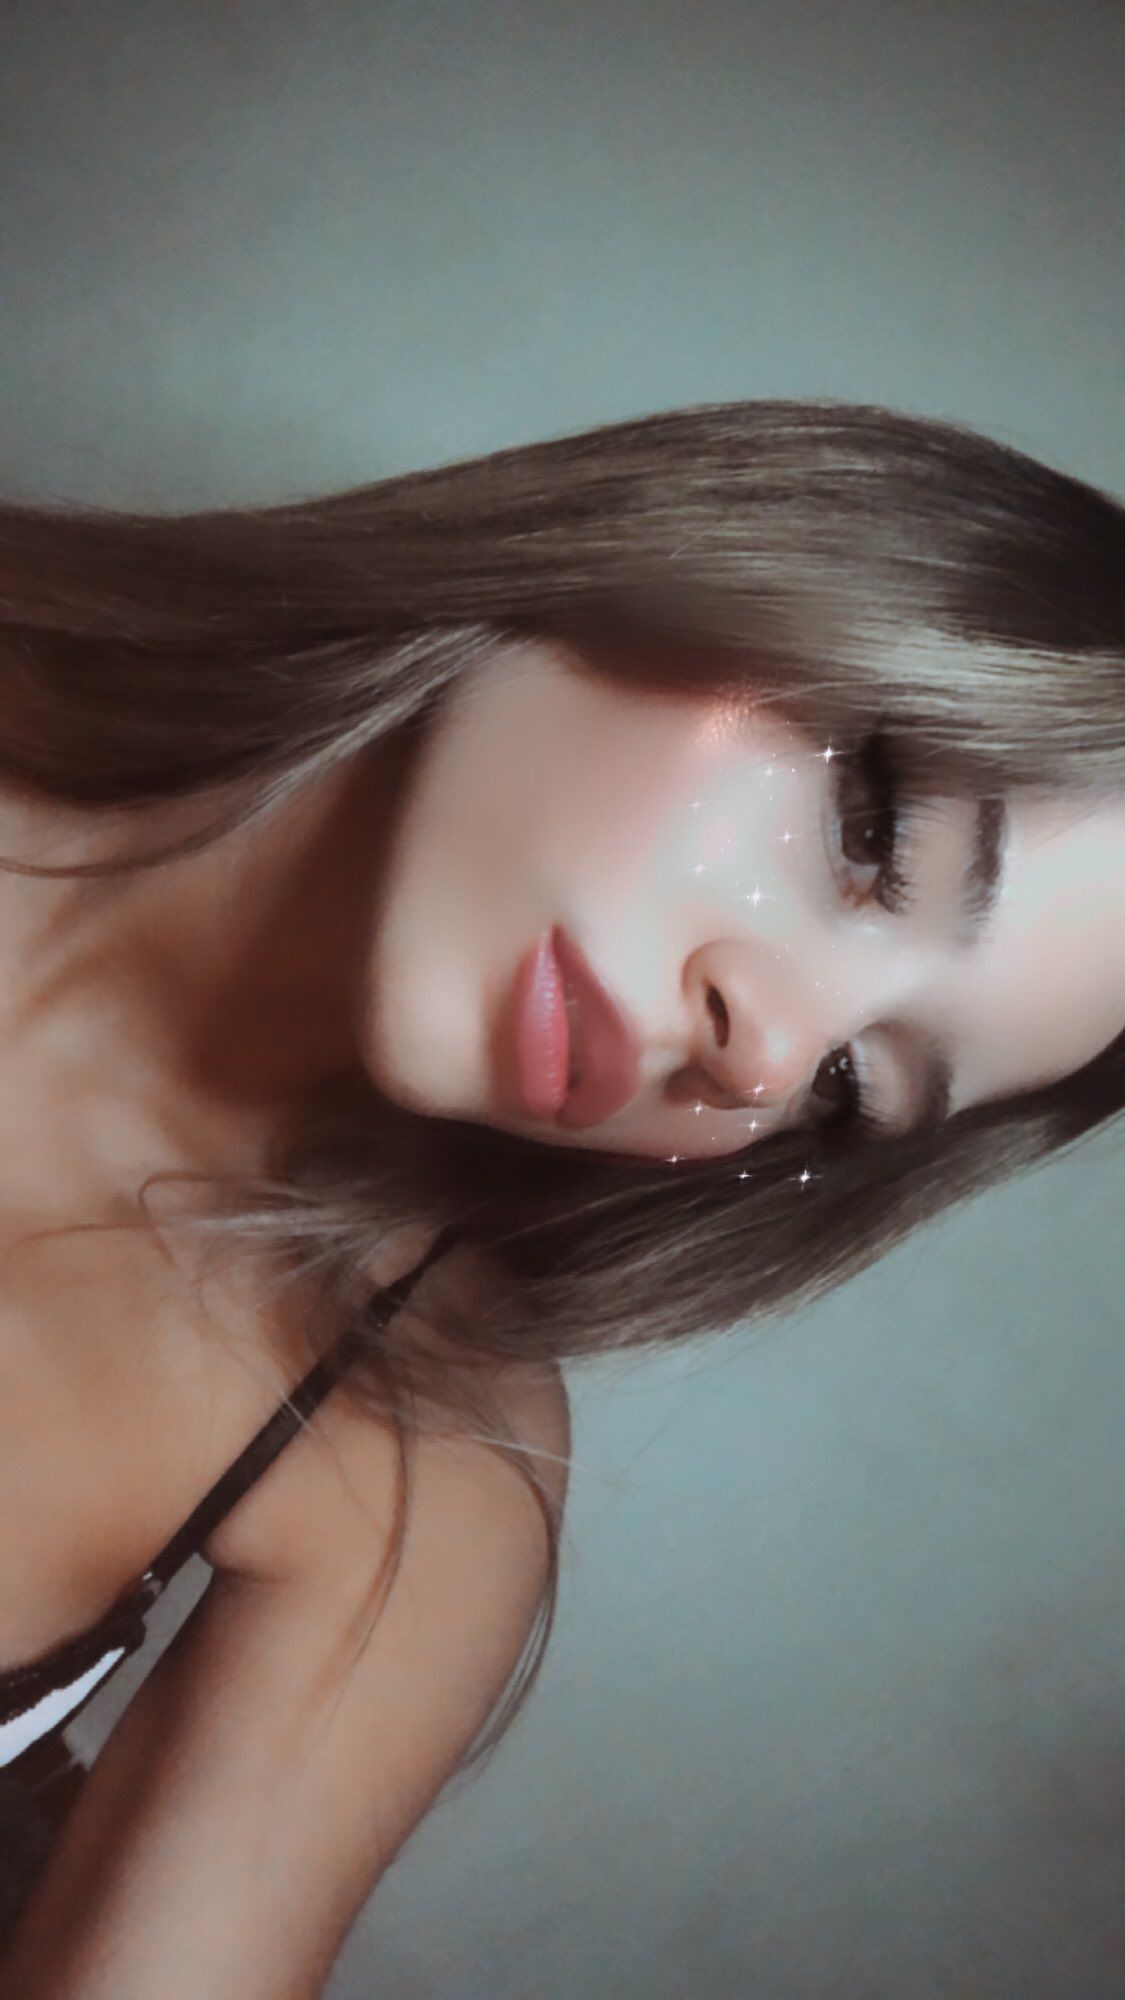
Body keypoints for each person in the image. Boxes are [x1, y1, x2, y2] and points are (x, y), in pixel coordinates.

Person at [0, 398, 1121, 1995]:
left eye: (848, 1084)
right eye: (874, 829)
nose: (763, 1050)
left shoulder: (407, 1470)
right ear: (715, 550)